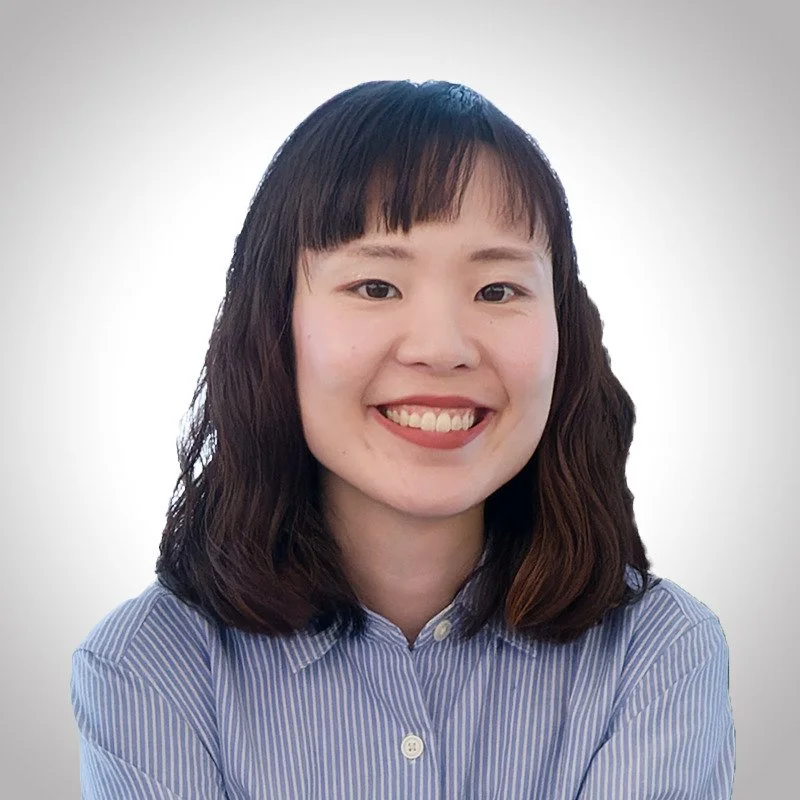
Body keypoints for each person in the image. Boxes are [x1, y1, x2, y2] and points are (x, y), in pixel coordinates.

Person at [70, 80, 735, 798]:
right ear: (274, 325)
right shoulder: (150, 667)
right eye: (376, 287)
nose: (442, 348)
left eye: (498, 291)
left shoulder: (658, 654)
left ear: (564, 337)